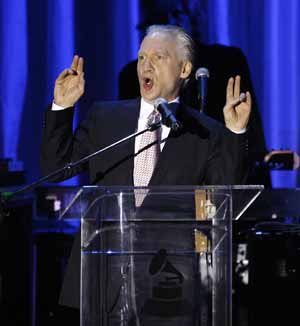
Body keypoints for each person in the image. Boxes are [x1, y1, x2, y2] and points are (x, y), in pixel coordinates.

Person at [40, 25, 250, 313]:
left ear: (185, 69)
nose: (145, 66)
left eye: (158, 57)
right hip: (101, 283)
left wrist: (235, 132)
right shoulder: (105, 118)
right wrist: (62, 108)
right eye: (141, 58)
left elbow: (224, 199)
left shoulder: (205, 133)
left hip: (169, 289)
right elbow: (55, 170)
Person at [119, 0, 271, 187]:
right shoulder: (130, 75)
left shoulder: (227, 62)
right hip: (152, 194)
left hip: (218, 188)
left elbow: (249, 138)